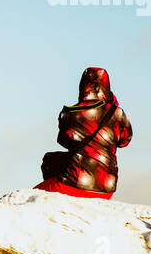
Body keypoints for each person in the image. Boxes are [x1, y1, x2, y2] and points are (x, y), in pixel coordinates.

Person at [35, 67, 132, 199]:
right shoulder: (117, 113)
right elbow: (125, 141)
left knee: (35, 190)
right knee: (53, 158)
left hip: (76, 183)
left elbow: (64, 141)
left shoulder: (69, 113)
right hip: (107, 188)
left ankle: (61, 199)